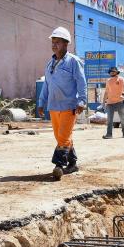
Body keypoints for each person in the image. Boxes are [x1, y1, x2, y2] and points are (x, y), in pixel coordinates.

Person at [37, 26, 86, 180]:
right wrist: (41, 102)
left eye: (57, 42)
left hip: (69, 106)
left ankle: (58, 166)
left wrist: (82, 100)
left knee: (63, 137)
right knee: (60, 137)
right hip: (53, 106)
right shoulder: (49, 64)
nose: (54, 45)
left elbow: (81, 82)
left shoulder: (73, 61)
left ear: (66, 43)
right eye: (53, 42)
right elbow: (46, 85)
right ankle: (73, 163)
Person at [102, 66, 124, 139]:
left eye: (113, 71)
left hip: (119, 101)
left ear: (116, 72)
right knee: (109, 120)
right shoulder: (108, 80)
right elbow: (106, 92)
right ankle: (109, 134)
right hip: (110, 103)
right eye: (111, 71)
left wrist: (123, 93)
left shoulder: (121, 79)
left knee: (122, 118)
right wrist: (103, 102)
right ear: (109, 73)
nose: (112, 72)